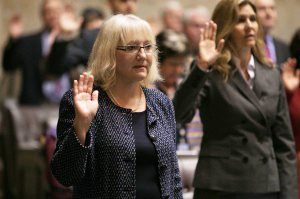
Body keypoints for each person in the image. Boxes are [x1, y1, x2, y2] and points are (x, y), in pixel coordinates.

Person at [173, 0, 298, 198]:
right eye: (240, 20)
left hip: (264, 184)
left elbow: (284, 144)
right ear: (227, 26)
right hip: (220, 185)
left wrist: (289, 194)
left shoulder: (271, 73)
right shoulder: (209, 70)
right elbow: (179, 113)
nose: (249, 25)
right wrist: (201, 67)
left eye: (252, 19)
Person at [51, 14, 183, 199]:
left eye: (147, 47)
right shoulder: (83, 100)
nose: (142, 55)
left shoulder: (160, 102)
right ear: (108, 52)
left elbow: (173, 176)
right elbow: (65, 175)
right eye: (131, 47)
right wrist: (81, 124)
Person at [253, 0, 290, 66]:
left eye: (272, 8)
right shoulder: (247, 46)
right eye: (262, 8)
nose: (268, 13)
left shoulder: (284, 47)